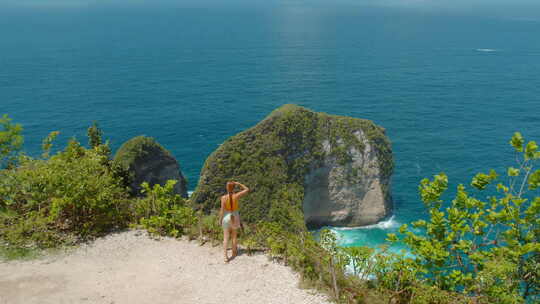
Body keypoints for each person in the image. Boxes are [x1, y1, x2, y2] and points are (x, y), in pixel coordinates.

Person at [219, 181, 249, 263]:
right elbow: (247, 189)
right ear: (233, 188)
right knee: (234, 237)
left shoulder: (223, 198)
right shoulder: (236, 196)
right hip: (235, 217)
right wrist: (239, 184)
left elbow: (222, 210)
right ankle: (234, 252)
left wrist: (220, 220)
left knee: (225, 238)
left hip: (226, 217)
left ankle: (225, 256)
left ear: (227, 188)